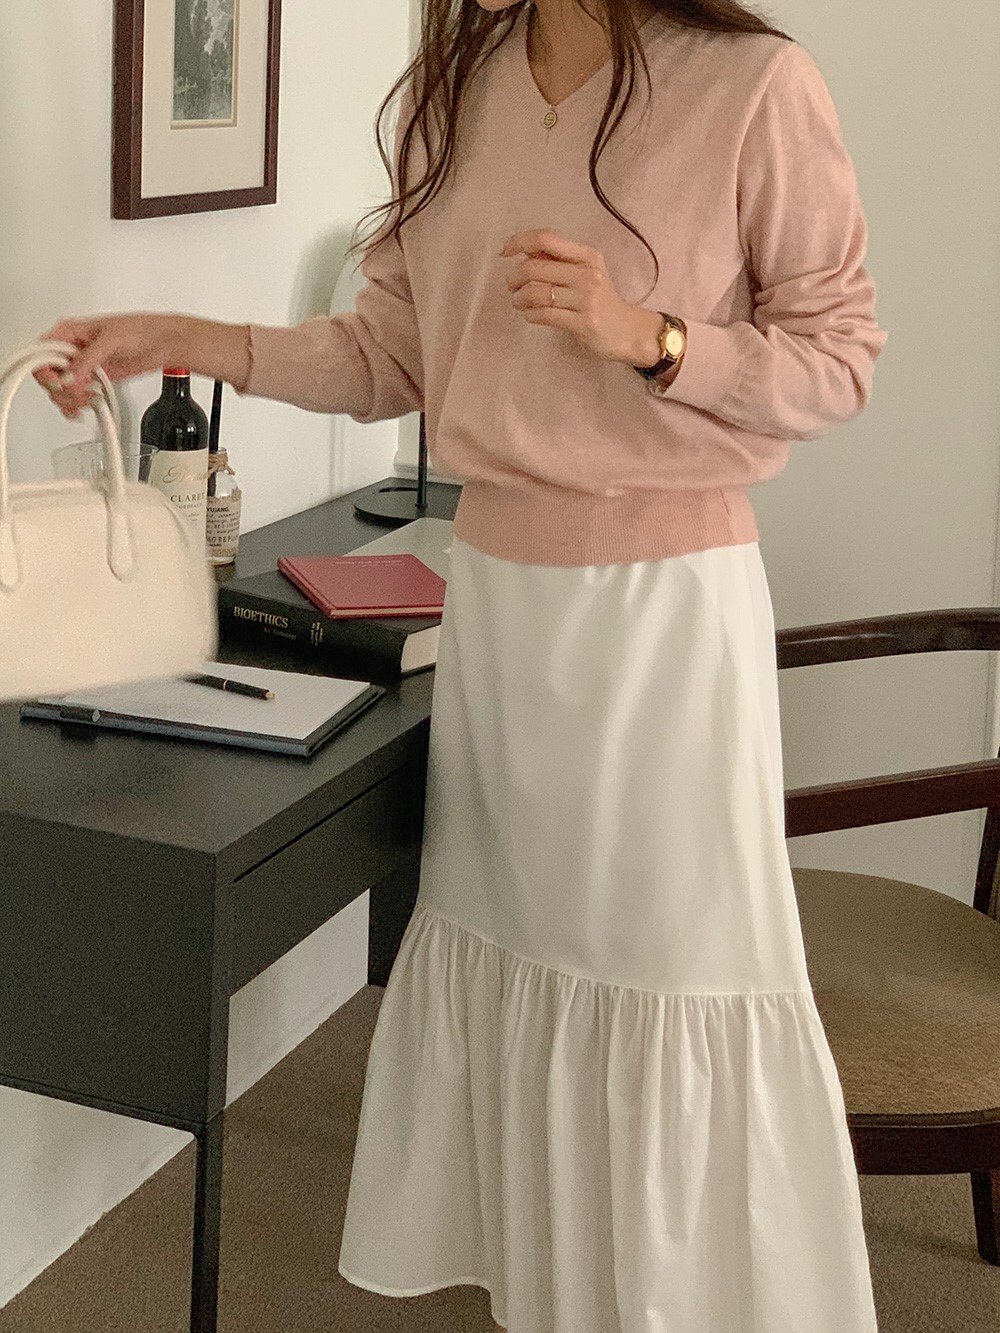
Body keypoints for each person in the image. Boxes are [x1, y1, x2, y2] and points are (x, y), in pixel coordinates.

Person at [38, 0, 889, 1328]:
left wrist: (651, 337)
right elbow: (386, 356)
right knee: (520, 958)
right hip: (497, 613)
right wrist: (185, 338)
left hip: (663, 624)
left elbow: (839, 363)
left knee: (666, 977)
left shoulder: (752, 83)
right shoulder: (460, 81)